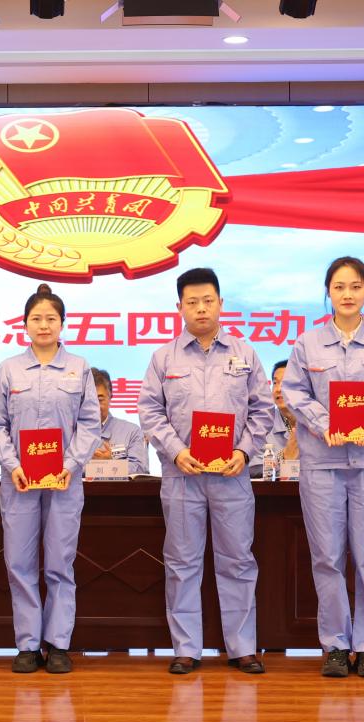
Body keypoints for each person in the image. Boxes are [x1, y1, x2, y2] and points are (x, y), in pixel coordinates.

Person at [137, 267, 274, 675]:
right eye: (192, 302)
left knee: (238, 561)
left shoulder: (245, 354)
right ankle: (186, 649)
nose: (201, 309)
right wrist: (176, 451)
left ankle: (242, 647)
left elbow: (263, 410)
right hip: (183, 476)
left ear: (221, 304)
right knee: (182, 562)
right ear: (179, 307)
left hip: (232, 475)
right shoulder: (164, 358)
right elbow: (150, 412)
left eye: (208, 301)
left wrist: (244, 452)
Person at [283, 256, 364, 679]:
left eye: (355, 286)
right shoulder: (307, 344)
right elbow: (295, 393)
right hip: (323, 465)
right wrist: (325, 424)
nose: (347, 294)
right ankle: (336, 645)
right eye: (339, 287)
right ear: (328, 293)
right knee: (327, 558)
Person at [0, 284, 102, 674]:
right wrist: (12, 464)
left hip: (65, 481)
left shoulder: (79, 368)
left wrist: (70, 464)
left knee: (60, 563)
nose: (44, 325)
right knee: (19, 563)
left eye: (51, 318)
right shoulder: (9, 369)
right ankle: (28, 644)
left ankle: (59, 643)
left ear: (62, 323)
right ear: (25, 324)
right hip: (19, 481)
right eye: (37, 318)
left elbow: (90, 424)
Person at [91, 368, 149, 475]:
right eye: (89, 401)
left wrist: (111, 464)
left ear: (110, 396)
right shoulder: (70, 432)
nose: (94, 407)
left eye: (100, 400)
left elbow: (141, 469)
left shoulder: (132, 432)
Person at [249, 360, 300, 478]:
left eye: (285, 382)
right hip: (277, 489)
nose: (278, 389)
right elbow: (251, 468)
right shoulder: (262, 424)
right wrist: (283, 458)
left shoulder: (317, 422)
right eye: (275, 383)